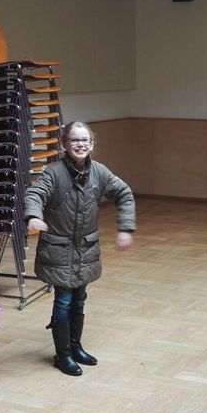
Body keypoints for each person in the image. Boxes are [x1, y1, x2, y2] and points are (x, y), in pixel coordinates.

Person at [24, 121, 136, 376]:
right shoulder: (53, 173)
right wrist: (34, 216)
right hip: (59, 251)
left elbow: (124, 194)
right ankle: (62, 354)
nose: (80, 144)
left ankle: (75, 347)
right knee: (64, 299)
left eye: (85, 140)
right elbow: (35, 194)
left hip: (85, 250)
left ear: (92, 144)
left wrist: (125, 228)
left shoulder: (100, 172)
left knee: (79, 298)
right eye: (74, 140)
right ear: (63, 144)